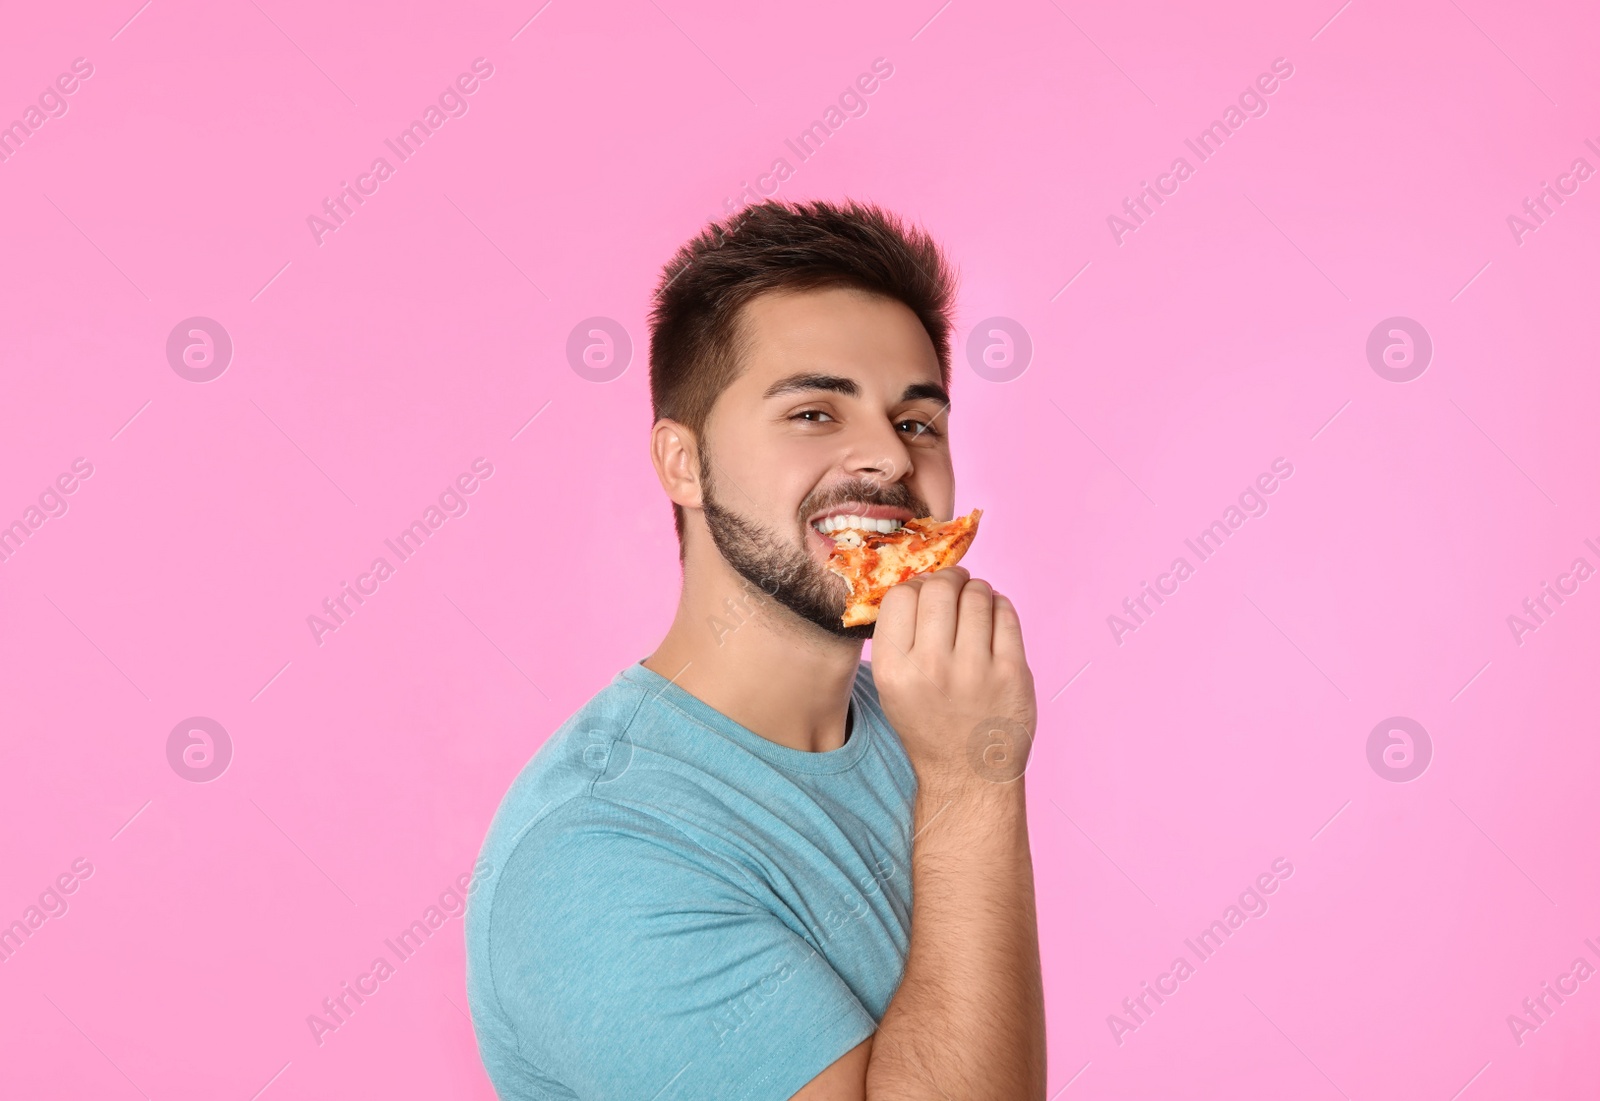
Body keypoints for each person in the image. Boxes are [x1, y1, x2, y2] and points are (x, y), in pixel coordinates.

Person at [465, 198, 1044, 1099]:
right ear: (683, 463)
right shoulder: (594, 852)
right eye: (815, 412)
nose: (889, 459)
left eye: (918, 421)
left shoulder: (920, 721)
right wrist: (976, 784)